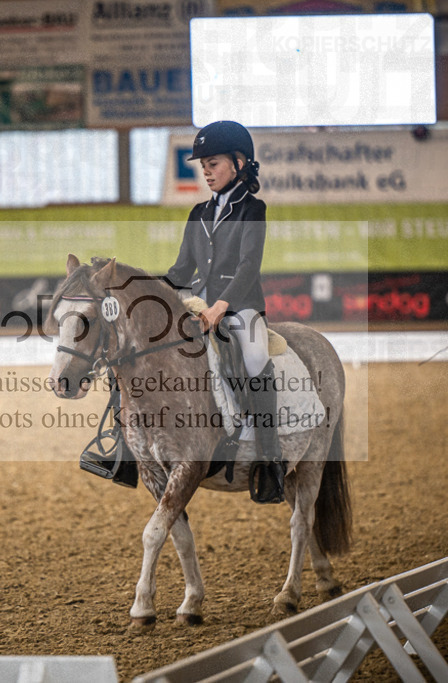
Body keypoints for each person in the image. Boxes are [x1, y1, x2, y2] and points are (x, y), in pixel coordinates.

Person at [163, 120, 286, 504]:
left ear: (238, 162)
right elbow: (181, 270)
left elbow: (249, 266)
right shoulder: (198, 212)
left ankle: (270, 460)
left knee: (255, 356)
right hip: (200, 304)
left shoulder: (253, 209)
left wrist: (221, 306)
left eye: (212, 164)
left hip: (241, 306)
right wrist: (147, 293)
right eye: (203, 166)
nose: (206, 172)